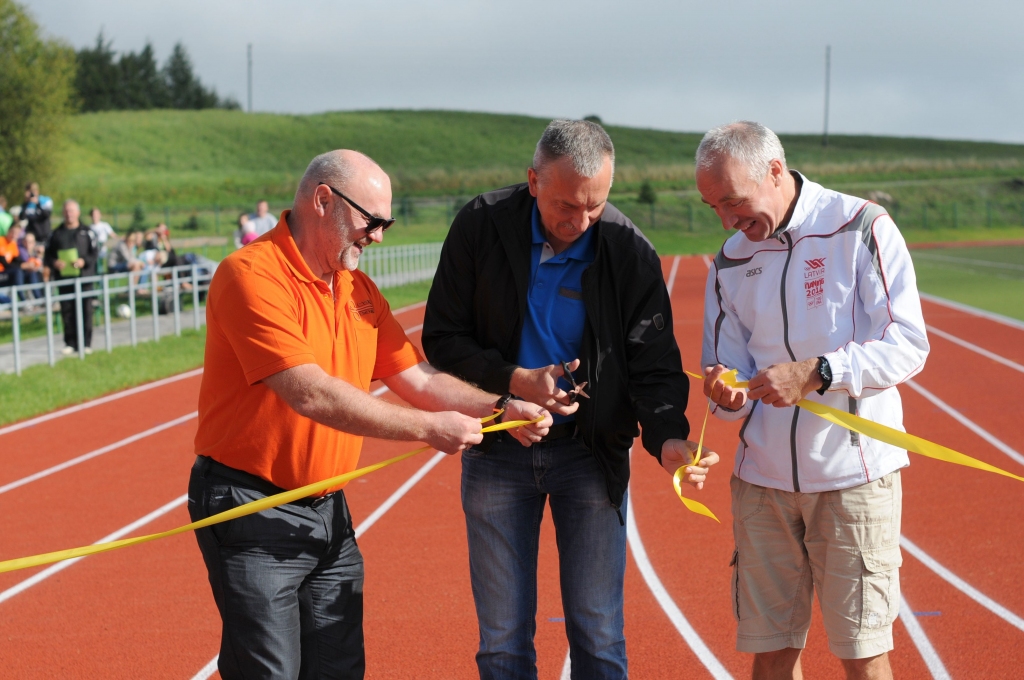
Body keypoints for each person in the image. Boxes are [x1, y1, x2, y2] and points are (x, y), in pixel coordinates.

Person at [189, 149, 552, 680]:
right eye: (371, 220)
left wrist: (501, 407)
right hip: (252, 509)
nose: (379, 235)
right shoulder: (251, 275)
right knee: (268, 672)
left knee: (340, 670)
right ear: (322, 200)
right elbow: (310, 393)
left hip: (327, 511)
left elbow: (418, 379)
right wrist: (428, 430)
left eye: (387, 223)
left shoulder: (359, 291)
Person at [422, 119, 719, 679]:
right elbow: (442, 337)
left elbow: (652, 364)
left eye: (595, 205)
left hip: (591, 454)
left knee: (599, 635)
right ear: (533, 180)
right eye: (565, 205)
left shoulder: (629, 250)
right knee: (503, 642)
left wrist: (668, 438)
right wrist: (513, 382)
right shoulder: (482, 225)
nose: (580, 221)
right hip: (497, 447)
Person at [695, 122, 930, 680]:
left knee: (862, 652)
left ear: (774, 171)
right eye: (713, 207)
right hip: (762, 484)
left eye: (733, 201)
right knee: (771, 650)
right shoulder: (730, 259)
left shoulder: (859, 226)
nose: (728, 221)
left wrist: (821, 372)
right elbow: (727, 370)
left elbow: (908, 344)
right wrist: (723, 389)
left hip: (853, 478)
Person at [43, 200, 98, 355]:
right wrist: (55, 262)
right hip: (64, 278)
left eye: (72, 211)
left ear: (78, 213)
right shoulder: (56, 233)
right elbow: (48, 255)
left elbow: (94, 253)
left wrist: (83, 261)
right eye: (66, 211)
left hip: (84, 278)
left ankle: (86, 343)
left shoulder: (87, 232)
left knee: (85, 310)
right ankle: (70, 343)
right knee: (67, 310)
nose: (69, 214)